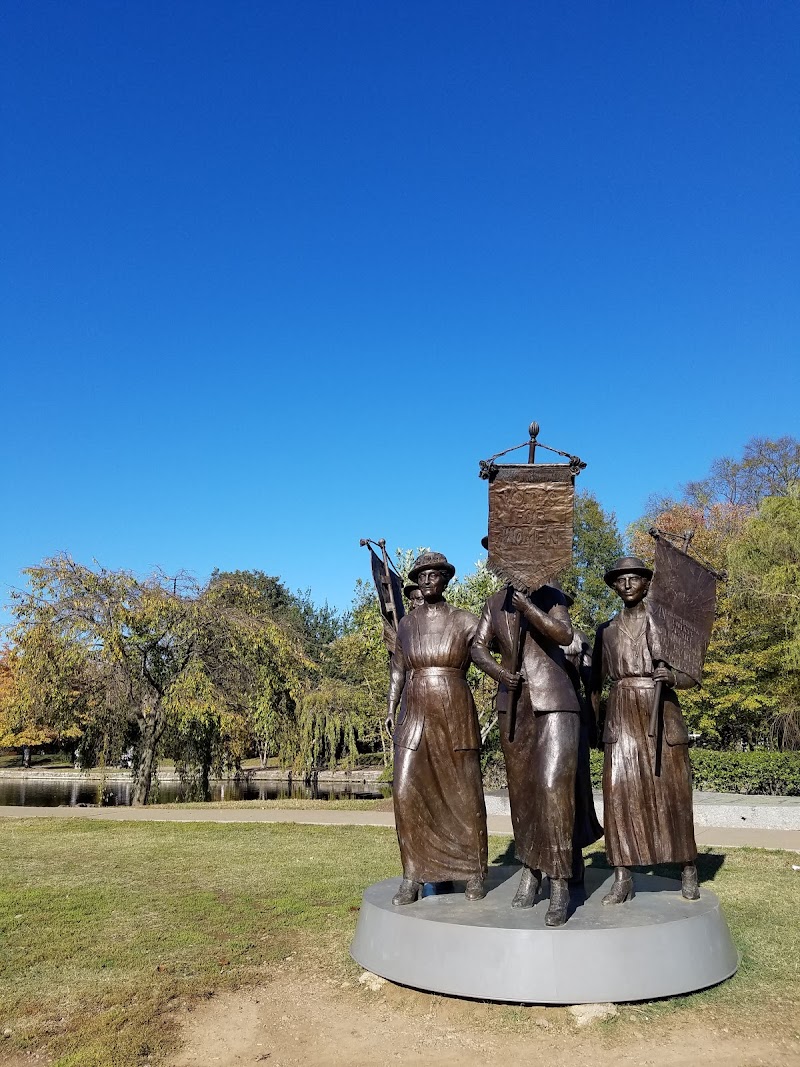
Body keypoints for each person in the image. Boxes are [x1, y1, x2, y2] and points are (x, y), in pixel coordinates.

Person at [472, 583, 581, 927]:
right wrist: (499, 672)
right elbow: (477, 647)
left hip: (554, 702)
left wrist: (529, 609)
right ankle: (531, 870)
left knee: (552, 789)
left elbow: (564, 635)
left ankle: (560, 880)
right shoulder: (494, 602)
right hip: (514, 705)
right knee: (522, 795)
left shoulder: (551, 597)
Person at [591, 557, 699, 905]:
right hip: (622, 713)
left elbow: (693, 675)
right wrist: (595, 724)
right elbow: (594, 684)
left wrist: (674, 678)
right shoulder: (605, 631)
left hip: (661, 712)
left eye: (633, 578)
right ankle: (623, 875)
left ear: (646, 583)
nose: (626, 584)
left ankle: (687, 867)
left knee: (673, 793)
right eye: (620, 579)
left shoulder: (666, 625)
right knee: (618, 793)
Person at [386, 551, 487, 905]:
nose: (428, 580)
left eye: (435, 575)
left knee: (464, 790)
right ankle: (413, 874)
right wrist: (390, 706)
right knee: (406, 790)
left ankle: (472, 871)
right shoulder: (407, 625)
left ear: (446, 579)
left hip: (454, 707)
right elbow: (398, 668)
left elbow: (486, 657)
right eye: (422, 576)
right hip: (414, 710)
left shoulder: (466, 621)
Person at [559, 593, 603, 882]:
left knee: (574, 788)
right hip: (535, 720)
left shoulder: (579, 639)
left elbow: (593, 686)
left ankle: (574, 857)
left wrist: (594, 727)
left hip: (572, 719)